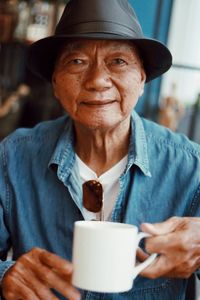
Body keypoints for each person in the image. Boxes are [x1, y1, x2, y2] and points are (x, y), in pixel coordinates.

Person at [0, 0, 200, 299]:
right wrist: (4, 276)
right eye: (76, 62)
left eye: (118, 61)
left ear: (142, 78)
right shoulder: (13, 156)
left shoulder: (190, 167)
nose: (96, 81)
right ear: (55, 82)